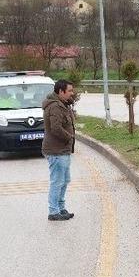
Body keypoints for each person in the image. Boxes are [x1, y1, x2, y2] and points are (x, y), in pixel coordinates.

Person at [42, 80, 77, 221]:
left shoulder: (63, 104)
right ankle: (53, 211)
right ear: (61, 92)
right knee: (57, 181)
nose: (72, 93)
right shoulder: (55, 106)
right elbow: (55, 128)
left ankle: (61, 208)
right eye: (69, 91)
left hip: (63, 150)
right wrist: (69, 137)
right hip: (56, 150)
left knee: (64, 180)